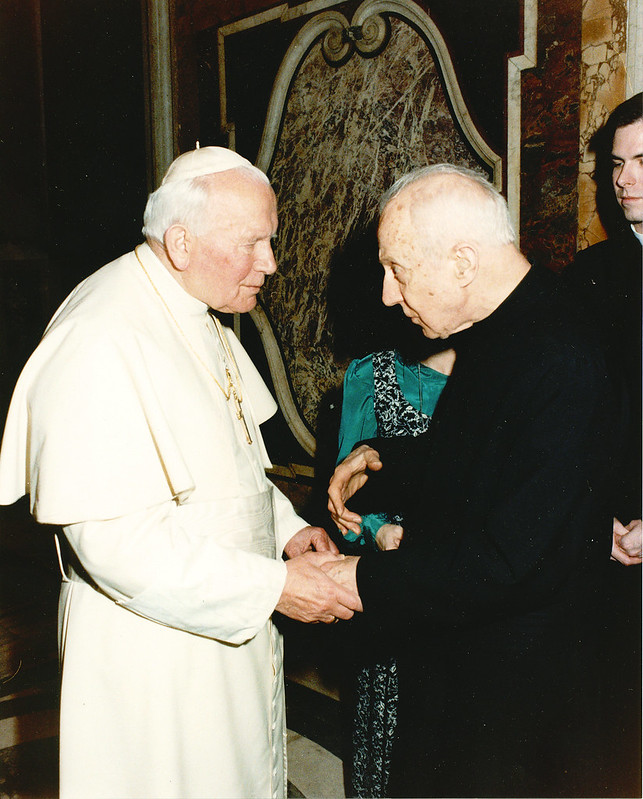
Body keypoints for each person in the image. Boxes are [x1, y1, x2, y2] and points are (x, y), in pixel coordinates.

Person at [0, 146, 361, 799]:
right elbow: (112, 545)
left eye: (270, 241)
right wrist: (272, 586)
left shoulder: (193, 304)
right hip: (152, 652)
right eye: (252, 242)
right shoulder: (101, 334)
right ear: (181, 241)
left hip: (222, 612)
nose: (271, 263)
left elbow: (231, 454)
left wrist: (283, 530)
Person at [325, 164, 621, 798]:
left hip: (522, 710)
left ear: (462, 262)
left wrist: (355, 579)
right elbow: (484, 458)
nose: (385, 294)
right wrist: (384, 460)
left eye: (397, 270)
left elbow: (509, 559)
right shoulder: (504, 328)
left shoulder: (561, 352)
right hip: (475, 671)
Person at [563, 92, 642, 796]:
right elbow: (565, 424)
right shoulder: (587, 281)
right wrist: (601, 522)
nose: (623, 180)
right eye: (615, 164)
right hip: (617, 545)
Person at [337, 343, 454, 797]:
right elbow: (342, 508)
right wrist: (377, 529)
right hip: (395, 602)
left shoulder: (501, 370)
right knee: (387, 754)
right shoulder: (374, 373)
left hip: (471, 602)